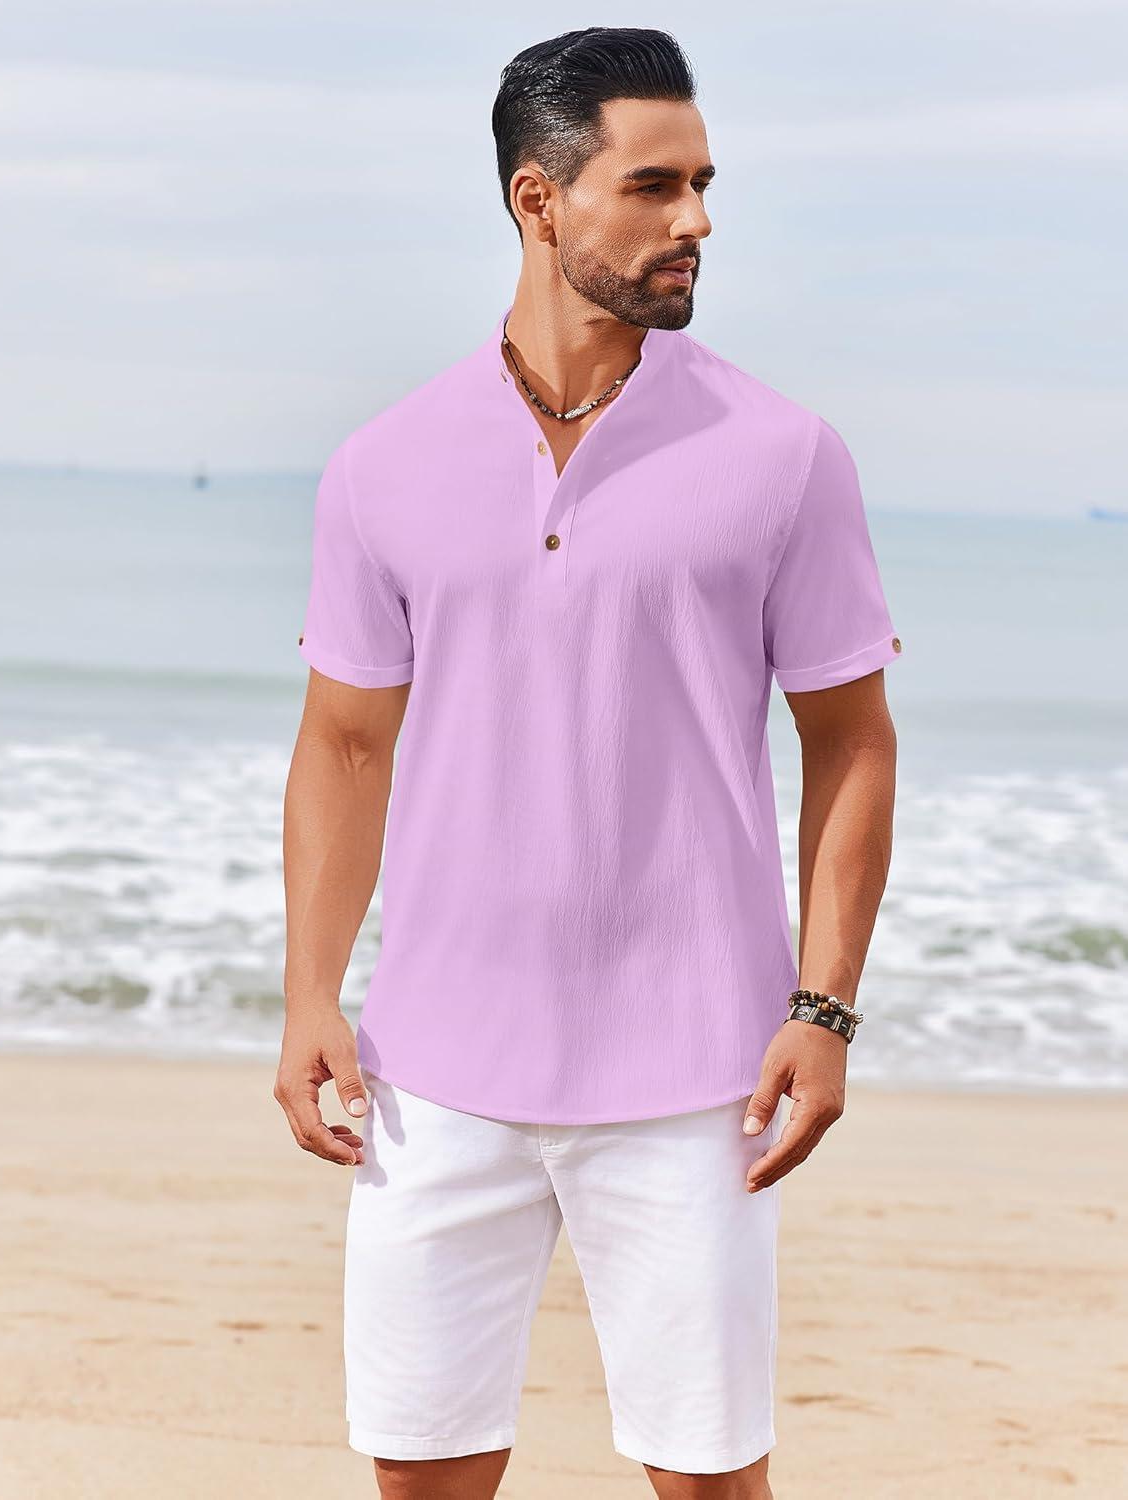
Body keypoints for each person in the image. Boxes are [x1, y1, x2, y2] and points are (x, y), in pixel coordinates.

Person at [276, 25, 901, 1500]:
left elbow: (850, 742)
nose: (696, 221)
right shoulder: (384, 463)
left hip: (695, 1073)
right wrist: (309, 993)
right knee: (423, 1475)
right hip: (433, 1071)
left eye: (703, 185)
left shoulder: (783, 454)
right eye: (654, 185)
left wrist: (823, 1007)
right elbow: (345, 745)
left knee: (706, 1480)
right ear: (538, 200)